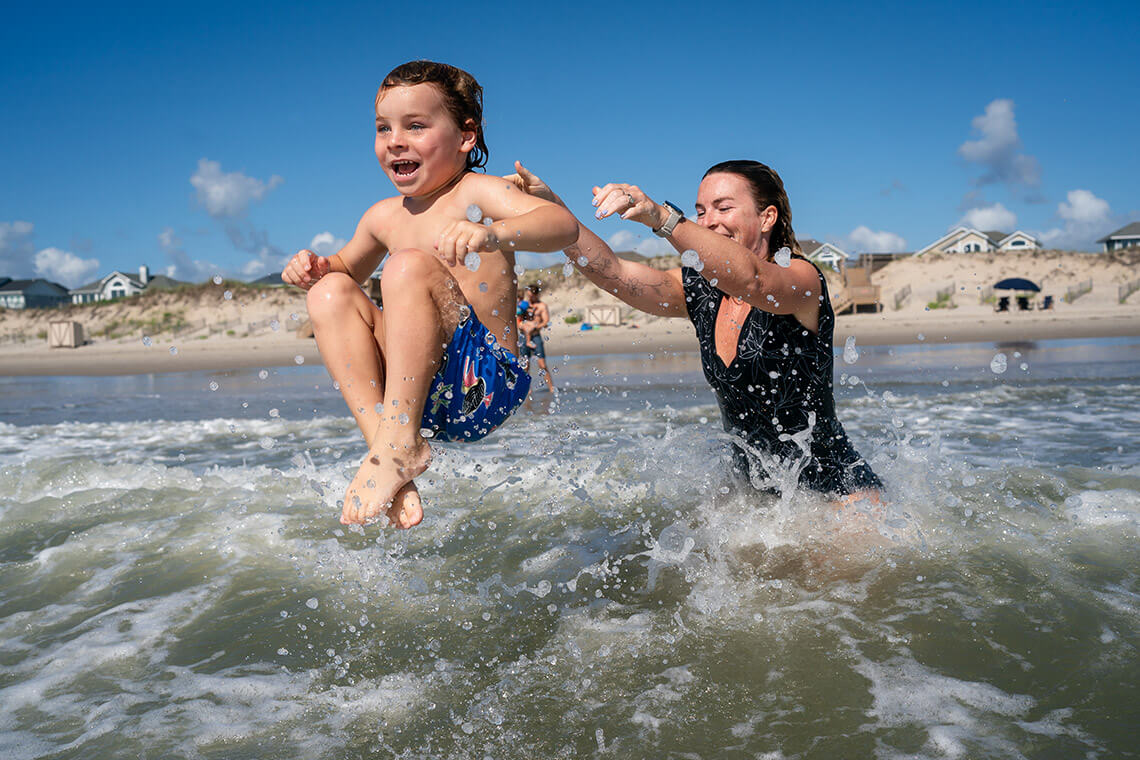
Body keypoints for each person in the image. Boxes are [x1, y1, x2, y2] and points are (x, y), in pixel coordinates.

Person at [281, 61, 578, 528]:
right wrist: (315, 267)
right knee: (328, 294)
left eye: (415, 126)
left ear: (466, 136)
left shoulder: (479, 192)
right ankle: (388, 449)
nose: (395, 140)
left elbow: (561, 226)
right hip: (419, 399)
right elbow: (342, 270)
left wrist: (493, 234)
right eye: (383, 128)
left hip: (483, 384)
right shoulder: (382, 216)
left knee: (406, 266)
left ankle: (396, 445)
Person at [506, 160, 881, 501]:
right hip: (758, 506)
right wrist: (552, 207)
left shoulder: (802, 280)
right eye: (701, 211)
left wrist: (663, 218)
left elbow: (752, 280)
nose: (710, 221)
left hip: (838, 498)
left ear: (767, 217)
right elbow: (615, 273)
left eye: (724, 207)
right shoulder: (700, 290)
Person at [518, 284, 556, 392]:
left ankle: (551, 388)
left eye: (532, 296)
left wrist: (535, 326)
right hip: (523, 336)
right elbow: (517, 318)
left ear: (537, 294)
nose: (530, 298)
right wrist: (522, 326)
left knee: (542, 364)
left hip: (535, 336)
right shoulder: (523, 305)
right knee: (525, 365)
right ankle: (527, 390)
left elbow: (545, 321)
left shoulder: (542, 306)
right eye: (529, 296)